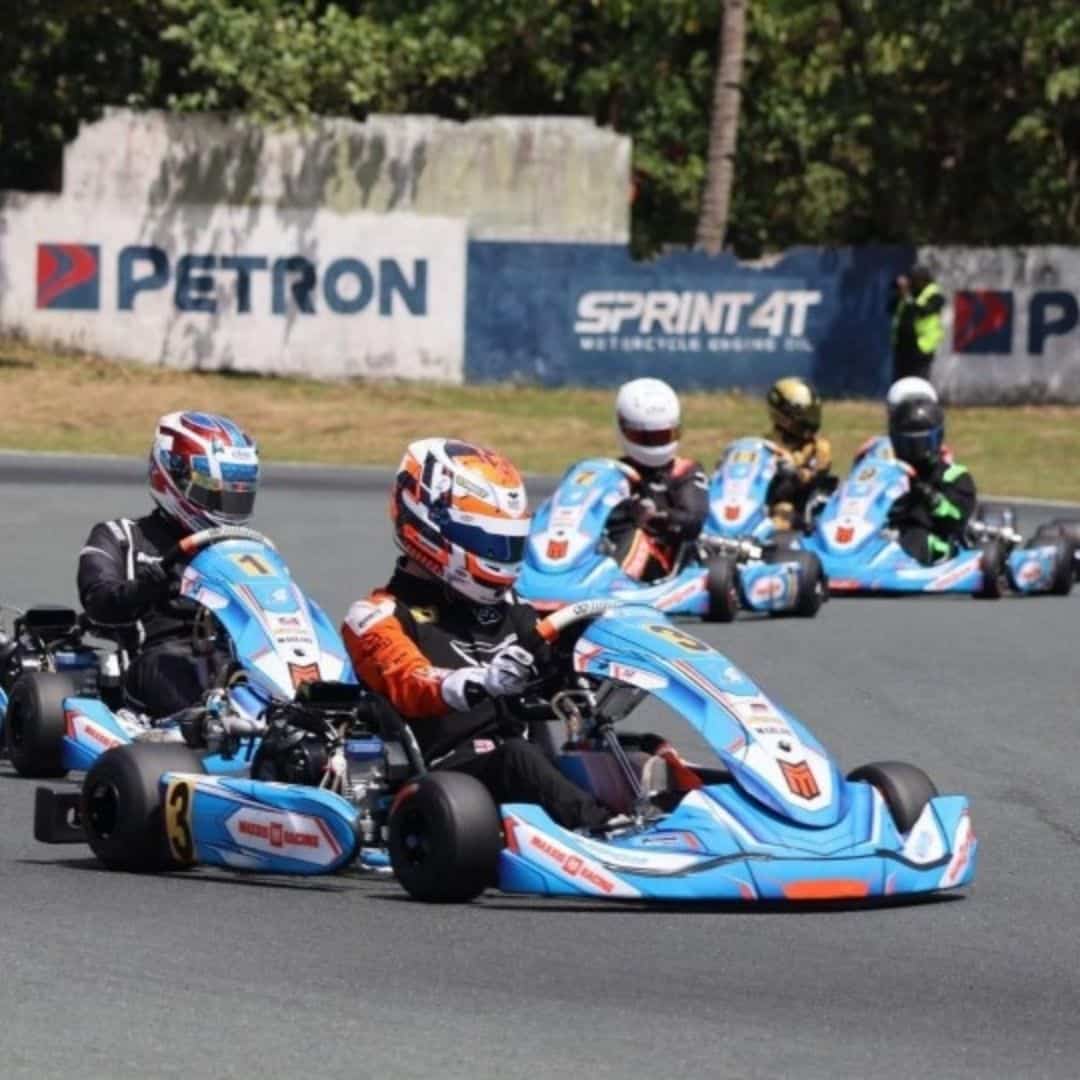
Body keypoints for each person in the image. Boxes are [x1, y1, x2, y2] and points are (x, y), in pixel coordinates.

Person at [342, 437, 626, 833]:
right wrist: (478, 681)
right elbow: (410, 680)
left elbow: (553, 677)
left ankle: (682, 819)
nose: (501, 555)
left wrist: (594, 665)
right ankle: (608, 832)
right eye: (489, 543)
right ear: (429, 531)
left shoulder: (511, 609)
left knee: (632, 751)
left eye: (509, 542)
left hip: (521, 768)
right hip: (442, 782)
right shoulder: (376, 617)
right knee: (517, 757)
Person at [77, 411, 259, 719]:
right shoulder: (121, 536)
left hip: (234, 659)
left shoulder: (244, 550)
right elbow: (98, 602)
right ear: (172, 475)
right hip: (157, 660)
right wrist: (145, 589)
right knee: (180, 666)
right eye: (213, 486)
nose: (226, 497)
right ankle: (209, 725)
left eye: (236, 488)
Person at [604, 378, 708, 582]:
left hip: (658, 562)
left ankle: (612, 584)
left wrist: (653, 515)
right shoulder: (614, 471)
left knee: (634, 535)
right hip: (607, 550)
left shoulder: (685, 471)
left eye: (663, 436)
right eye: (645, 437)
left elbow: (693, 522)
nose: (655, 446)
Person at [886, 397, 975, 564]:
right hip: (885, 531)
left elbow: (956, 519)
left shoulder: (953, 475)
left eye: (917, 444)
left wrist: (930, 497)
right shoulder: (889, 471)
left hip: (932, 538)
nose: (911, 451)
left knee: (913, 537)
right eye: (905, 444)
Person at [763, 376, 834, 530]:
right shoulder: (767, 442)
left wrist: (794, 470)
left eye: (811, 413)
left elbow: (815, 476)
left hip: (798, 507)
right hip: (765, 498)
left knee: (783, 513)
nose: (809, 420)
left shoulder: (818, 447)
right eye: (802, 414)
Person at [888, 264, 945, 383]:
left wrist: (907, 296)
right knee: (901, 380)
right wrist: (901, 291)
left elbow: (922, 311)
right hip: (902, 345)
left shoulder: (934, 295)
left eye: (915, 279)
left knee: (918, 380)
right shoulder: (909, 293)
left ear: (924, 279)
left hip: (922, 346)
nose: (912, 282)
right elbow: (890, 308)